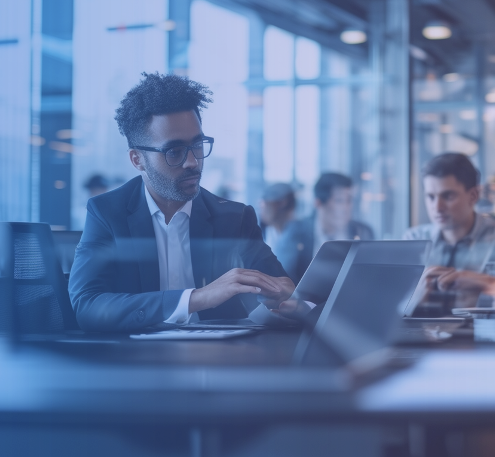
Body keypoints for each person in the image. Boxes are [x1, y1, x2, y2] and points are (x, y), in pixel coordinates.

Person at [69, 73, 296, 332]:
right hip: (134, 363)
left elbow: (284, 295)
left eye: (198, 145)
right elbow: (87, 306)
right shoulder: (107, 213)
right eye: (174, 152)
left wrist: (287, 299)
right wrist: (196, 299)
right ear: (137, 160)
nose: (193, 162)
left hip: (222, 362)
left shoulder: (235, 218)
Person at [404, 153, 495, 313]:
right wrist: (416, 296)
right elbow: (386, 308)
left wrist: (488, 284)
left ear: (473, 195)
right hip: (418, 337)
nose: (437, 207)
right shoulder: (413, 241)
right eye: (430, 197)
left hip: (479, 336)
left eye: (448, 196)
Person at [277, 172, 374, 283]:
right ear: (318, 203)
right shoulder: (296, 232)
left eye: (349, 200)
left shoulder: (363, 232)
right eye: (339, 200)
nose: (346, 208)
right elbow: (283, 277)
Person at [259, 182, 296, 253]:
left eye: (267, 202)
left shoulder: (299, 235)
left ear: (283, 203)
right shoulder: (268, 233)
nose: (263, 207)